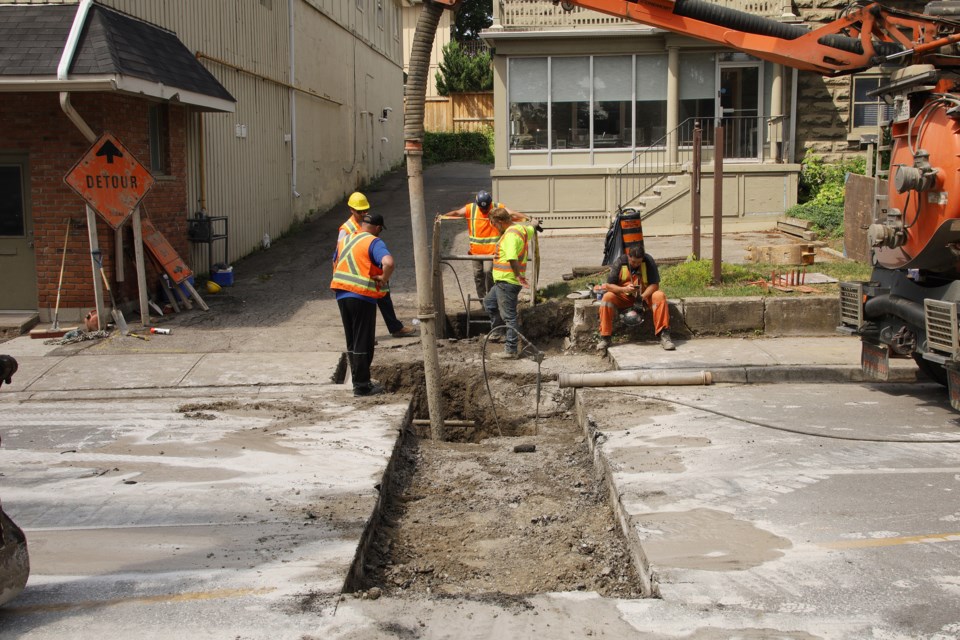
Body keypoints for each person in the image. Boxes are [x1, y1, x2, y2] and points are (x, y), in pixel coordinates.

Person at [331, 212, 394, 396]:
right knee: (363, 340)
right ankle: (362, 385)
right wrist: (383, 278)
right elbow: (388, 262)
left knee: (352, 339)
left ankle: (358, 381)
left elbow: (334, 261)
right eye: (380, 230)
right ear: (376, 228)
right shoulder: (373, 242)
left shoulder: (346, 240)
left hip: (342, 293)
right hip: (361, 295)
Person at [338, 192, 416, 338]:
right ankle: (365, 335)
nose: (363, 214)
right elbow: (339, 254)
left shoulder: (366, 222)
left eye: (365, 210)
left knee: (384, 295)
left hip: (369, 269)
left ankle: (394, 327)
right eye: (359, 211)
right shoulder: (346, 229)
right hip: (356, 273)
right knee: (364, 305)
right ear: (351, 210)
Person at [439, 190, 539, 299]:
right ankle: (483, 301)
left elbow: (512, 213)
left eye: (486, 207)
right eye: (482, 208)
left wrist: (528, 218)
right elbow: (457, 213)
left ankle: (491, 297)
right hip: (475, 252)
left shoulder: (497, 207)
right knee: (478, 276)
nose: (485, 210)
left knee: (488, 273)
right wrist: (442, 217)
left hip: (491, 251)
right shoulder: (471, 208)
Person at [597, 243, 675, 352]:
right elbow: (609, 286)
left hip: (644, 296)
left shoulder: (648, 261)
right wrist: (624, 289)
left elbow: (655, 285)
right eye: (633, 262)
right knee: (607, 298)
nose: (636, 264)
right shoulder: (620, 262)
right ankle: (605, 337)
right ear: (629, 257)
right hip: (624, 296)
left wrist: (642, 297)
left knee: (659, 296)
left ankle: (664, 335)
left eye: (639, 262)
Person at [483, 207, 530, 360]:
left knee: (509, 316)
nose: (494, 227)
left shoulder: (510, 236)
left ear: (501, 222)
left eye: (494, 224)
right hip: (502, 281)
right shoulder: (520, 229)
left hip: (507, 281)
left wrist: (518, 276)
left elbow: (511, 258)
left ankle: (511, 349)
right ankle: (497, 332)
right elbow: (531, 229)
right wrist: (534, 224)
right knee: (489, 303)